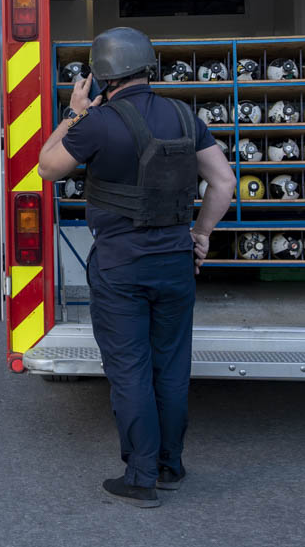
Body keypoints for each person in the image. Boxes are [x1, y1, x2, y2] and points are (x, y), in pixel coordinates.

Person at [38, 26, 237, 507]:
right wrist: (202, 234)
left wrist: (74, 113)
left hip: (120, 267)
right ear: (148, 66)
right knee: (171, 367)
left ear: (102, 74)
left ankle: (141, 477)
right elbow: (224, 181)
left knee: (130, 370)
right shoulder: (185, 116)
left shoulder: (98, 121)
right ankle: (171, 465)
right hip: (175, 263)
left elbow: (47, 166)